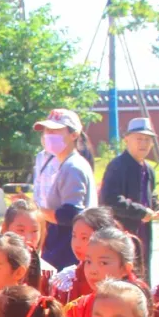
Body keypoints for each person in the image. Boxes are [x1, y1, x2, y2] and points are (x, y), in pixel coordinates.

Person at [64, 227, 145, 317]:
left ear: (126, 268)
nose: (93, 270)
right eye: (88, 262)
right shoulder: (75, 308)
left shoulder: (139, 305)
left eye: (103, 263)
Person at [99, 117, 159, 282]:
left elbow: (151, 194)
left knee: (143, 274)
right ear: (127, 139)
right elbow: (110, 200)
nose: (143, 143)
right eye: (139, 138)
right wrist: (140, 212)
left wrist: (157, 206)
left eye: (147, 140)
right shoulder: (118, 166)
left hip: (143, 233)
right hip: (122, 233)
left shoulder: (149, 169)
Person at [35, 109, 96, 270]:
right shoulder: (66, 164)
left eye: (55, 130)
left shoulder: (73, 167)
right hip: (62, 247)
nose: (48, 135)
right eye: (47, 130)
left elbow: (71, 214)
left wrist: (39, 212)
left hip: (67, 251)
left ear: (74, 134)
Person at [49, 206, 117, 306]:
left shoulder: (120, 281)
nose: (77, 244)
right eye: (74, 236)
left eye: (84, 238)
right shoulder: (68, 279)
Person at [0, 198, 56, 294]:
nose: (27, 238)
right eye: (20, 230)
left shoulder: (48, 274)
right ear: (6, 229)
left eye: (34, 231)